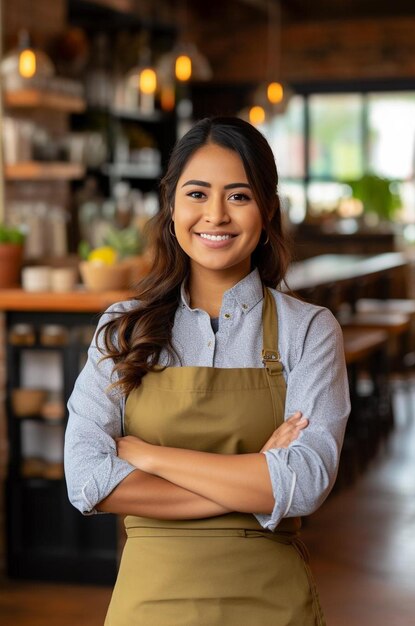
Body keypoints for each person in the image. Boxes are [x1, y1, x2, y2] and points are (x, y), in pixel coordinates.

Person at [64, 116, 350, 625]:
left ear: (267, 210)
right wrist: (256, 475)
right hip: (149, 601)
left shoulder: (309, 330)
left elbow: (304, 483)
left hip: (270, 602)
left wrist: (149, 456)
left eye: (238, 196)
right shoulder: (123, 329)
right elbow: (87, 479)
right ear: (172, 204)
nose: (215, 215)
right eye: (197, 193)